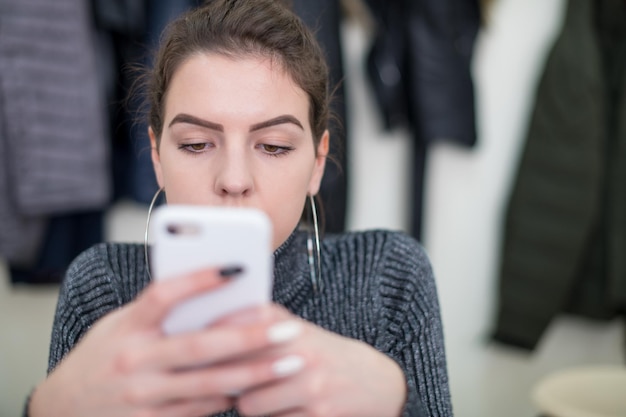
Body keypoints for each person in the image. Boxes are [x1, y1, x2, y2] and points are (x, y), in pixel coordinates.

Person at [25, 1, 452, 416]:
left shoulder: (390, 276)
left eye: (273, 146)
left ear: (317, 163)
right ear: (157, 156)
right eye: (195, 144)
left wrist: (397, 401)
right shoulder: (101, 284)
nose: (233, 179)